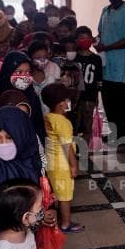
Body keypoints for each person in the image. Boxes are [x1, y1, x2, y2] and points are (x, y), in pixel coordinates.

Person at [0, 106, 46, 235]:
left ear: (22, 134)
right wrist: (26, 219)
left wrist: (41, 214)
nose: (3, 143)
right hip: (9, 239)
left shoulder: (32, 162)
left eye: (9, 137)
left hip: (30, 237)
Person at [96, 0, 125, 139]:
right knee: (107, 101)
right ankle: (114, 133)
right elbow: (101, 32)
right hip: (106, 64)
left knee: (120, 102)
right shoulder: (105, 10)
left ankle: (124, 134)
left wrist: (107, 47)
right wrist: (96, 42)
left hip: (120, 66)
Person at [42, 83, 83, 233]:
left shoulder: (48, 117)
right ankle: (66, 224)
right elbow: (67, 146)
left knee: (58, 192)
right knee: (65, 195)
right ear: (60, 104)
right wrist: (74, 165)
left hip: (52, 162)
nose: (68, 102)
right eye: (67, 100)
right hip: (62, 164)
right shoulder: (63, 122)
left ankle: (61, 219)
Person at [0, 50, 47, 145]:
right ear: (8, 73)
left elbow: (39, 128)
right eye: (19, 72)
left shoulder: (32, 97)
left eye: (28, 72)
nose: (24, 76)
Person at [73, 26, 103, 140]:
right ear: (76, 40)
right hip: (75, 98)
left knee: (87, 126)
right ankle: (73, 152)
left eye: (87, 38)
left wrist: (96, 98)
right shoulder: (74, 58)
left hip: (89, 98)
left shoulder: (96, 59)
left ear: (91, 39)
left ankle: (84, 153)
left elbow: (99, 80)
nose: (85, 40)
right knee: (74, 125)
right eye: (81, 38)